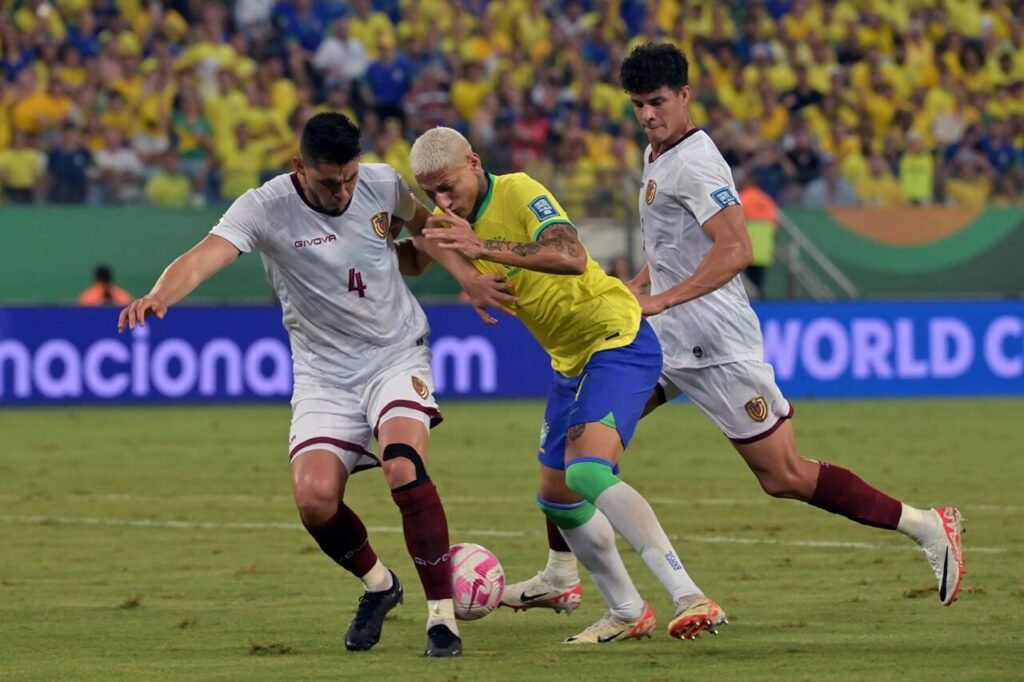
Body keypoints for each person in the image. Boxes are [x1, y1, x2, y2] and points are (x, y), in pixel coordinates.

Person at [507, 43, 965, 620]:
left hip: (715, 344)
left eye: (657, 102)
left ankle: (926, 525)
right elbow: (671, 249)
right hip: (663, 340)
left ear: (684, 96)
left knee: (784, 475)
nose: (647, 115)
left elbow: (736, 249)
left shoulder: (697, 163)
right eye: (637, 105)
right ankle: (561, 572)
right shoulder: (656, 154)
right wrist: (637, 286)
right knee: (578, 443)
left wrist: (661, 299)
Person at [116, 113, 512, 658]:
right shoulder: (264, 206)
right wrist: (160, 295)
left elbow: (426, 231)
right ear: (298, 166)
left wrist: (467, 275)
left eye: (349, 177)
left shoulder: (383, 183)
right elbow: (205, 256)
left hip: (396, 354)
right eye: (329, 181)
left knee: (402, 464)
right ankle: (380, 585)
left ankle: (442, 618)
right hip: (324, 376)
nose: (342, 191)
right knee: (315, 500)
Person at [412, 126, 724, 644]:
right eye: (430, 193)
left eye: (448, 187)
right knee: (556, 496)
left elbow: (570, 254)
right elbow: (420, 245)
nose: (442, 201)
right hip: (569, 360)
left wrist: (480, 246)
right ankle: (625, 609)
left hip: (615, 337)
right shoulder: (450, 219)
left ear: (474, 162)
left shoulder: (518, 190)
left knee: (587, 471)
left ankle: (689, 595)